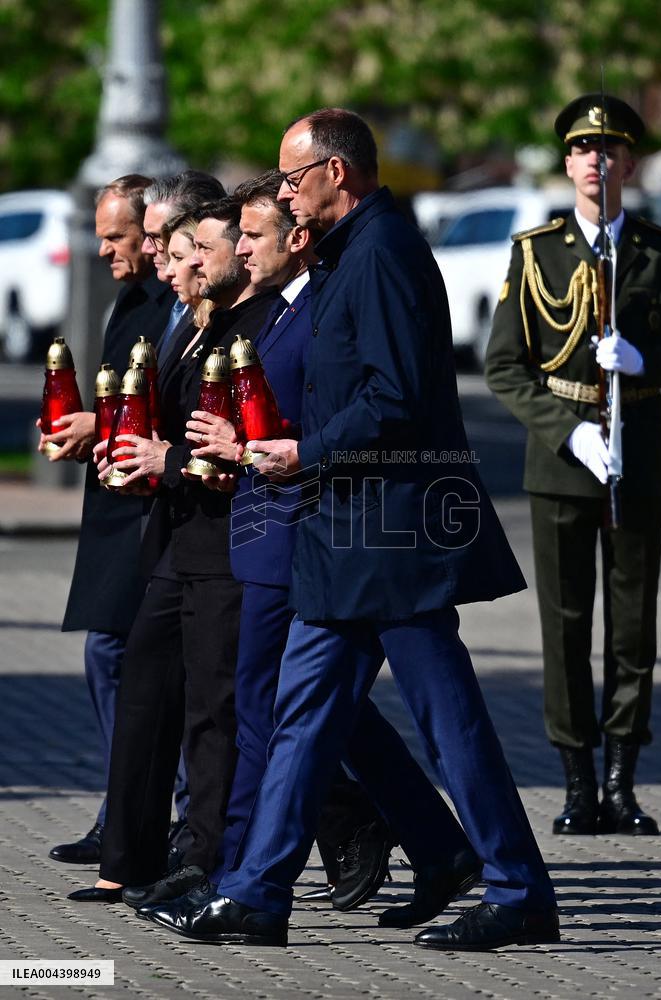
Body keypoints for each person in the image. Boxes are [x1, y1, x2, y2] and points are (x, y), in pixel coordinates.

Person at [143, 109, 559, 952]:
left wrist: (304, 451)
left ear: (339, 172)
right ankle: (259, 895)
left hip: (393, 536)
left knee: (450, 719)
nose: (287, 193)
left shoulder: (383, 252)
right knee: (300, 713)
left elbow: (397, 398)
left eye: (296, 178)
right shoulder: (344, 256)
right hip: (343, 535)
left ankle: (517, 888)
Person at [485, 95, 661, 838]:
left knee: (633, 627)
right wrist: (568, 432)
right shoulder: (535, 250)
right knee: (565, 625)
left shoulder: (660, 251)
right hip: (561, 461)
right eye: (584, 149)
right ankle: (577, 784)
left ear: (630, 164)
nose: (596, 161)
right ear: (567, 162)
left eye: (610, 150)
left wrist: (647, 359)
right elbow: (506, 367)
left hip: (638, 452)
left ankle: (622, 783)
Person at [67, 197, 278, 904]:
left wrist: (168, 456)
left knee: (216, 712)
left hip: (227, 541)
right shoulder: (194, 326)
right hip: (176, 539)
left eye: (200, 249)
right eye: (186, 250)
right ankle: (125, 858)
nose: (182, 261)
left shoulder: (254, 328)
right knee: (144, 692)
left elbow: (234, 441)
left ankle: (206, 861)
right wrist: (128, 457)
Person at [46, 175, 175, 865]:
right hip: (120, 502)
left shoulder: (172, 302)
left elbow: (172, 402)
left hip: (156, 511)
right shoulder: (131, 300)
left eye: (116, 236)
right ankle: (122, 812)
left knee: (128, 659)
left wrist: (104, 425)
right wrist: (85, 433)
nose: (102, 249)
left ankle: (144, 814)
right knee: (113, 656)